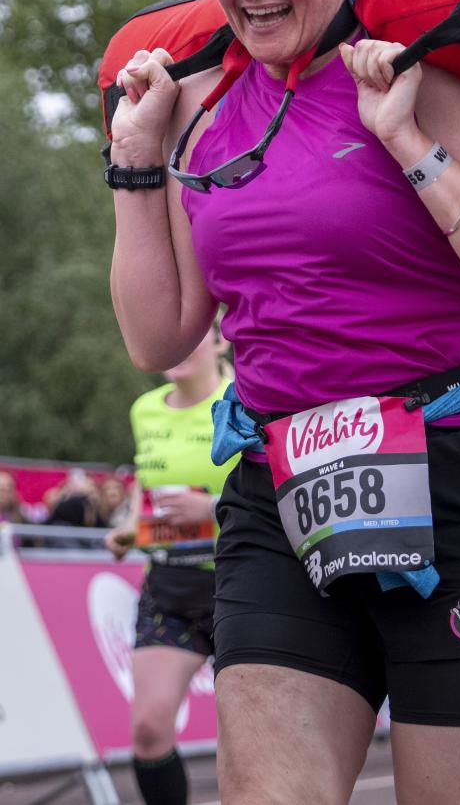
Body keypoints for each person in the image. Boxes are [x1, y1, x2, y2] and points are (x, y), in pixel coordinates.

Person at [106, 0, 460, 805]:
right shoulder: (200, 108)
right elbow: (160, 339)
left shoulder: (425, 80)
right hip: (285, 487)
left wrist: (406, 140)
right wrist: (135, 159)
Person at [105, 327, 233, 805]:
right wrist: (127, 531)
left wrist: (214, 508)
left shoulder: (242, 399)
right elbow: (149, 498)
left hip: (239, 584)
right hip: (168, 588)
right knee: (149, 731)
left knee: (248, 740)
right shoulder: (146, 409)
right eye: (171, 337)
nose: (178, 347)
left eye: (194, 336)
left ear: (221, 341)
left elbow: (272, 488)